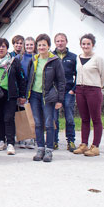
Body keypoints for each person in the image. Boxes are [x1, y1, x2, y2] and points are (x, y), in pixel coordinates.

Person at [26, 34, 66, 163]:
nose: (41, 47)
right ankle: (40, 148)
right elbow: (29, 78)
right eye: (39, 45)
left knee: (49, 123)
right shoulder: (34, 59)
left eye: (44, 45)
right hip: (34, 96)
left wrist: (60, 100)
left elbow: (61, 81)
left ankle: (49, 150)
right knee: (37, 123)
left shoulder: (55, 61)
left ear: (48, 46)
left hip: (48, 96)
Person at [73, 34, 104, 157]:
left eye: (88, 44)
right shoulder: (78, 58)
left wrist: (99, 85)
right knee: (84, 118)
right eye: (83, 44)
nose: (86, 46)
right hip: (80, 89)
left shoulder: (98, 59)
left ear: (92, 45)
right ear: (80, 45)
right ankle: (83, 144)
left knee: (96, 119)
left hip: (93, 90)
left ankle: (95, 146)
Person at [0, 38, 26, 155]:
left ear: (7, 48)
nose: (1, 48)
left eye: (4, 46)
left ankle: (10, 143)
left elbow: (21, 78)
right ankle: (1, 140)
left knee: (8, 118)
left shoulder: (13, 61)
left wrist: (22, 94)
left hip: (10, 94)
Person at [52, 33, 78, 151]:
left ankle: (71, 141)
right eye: (58, 41)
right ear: (55, 42)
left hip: (68, 91)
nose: (60, 43)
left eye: (62, 41)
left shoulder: (73, 57)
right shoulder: (50, 56)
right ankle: (54, 141)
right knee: (53, 118)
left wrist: (74, 90)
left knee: (69, 117)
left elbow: (79, 74)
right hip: (54, 91)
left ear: (66, 42)